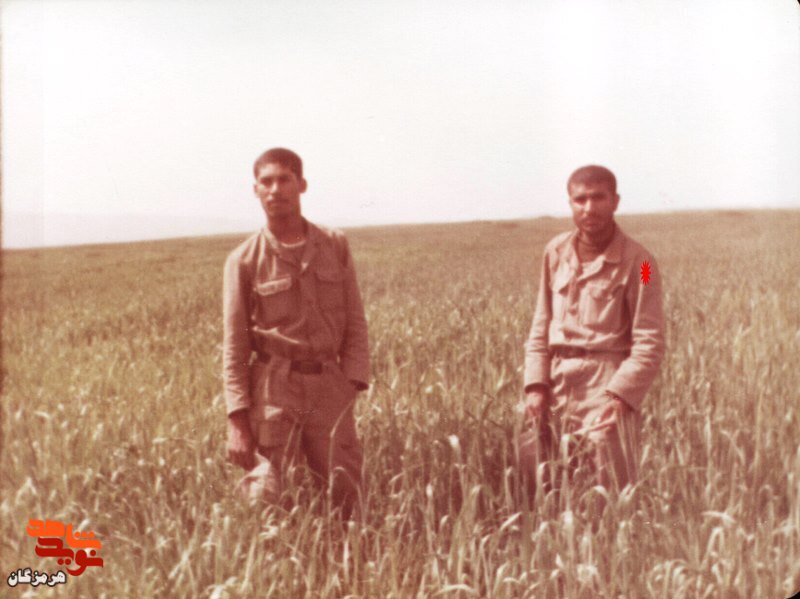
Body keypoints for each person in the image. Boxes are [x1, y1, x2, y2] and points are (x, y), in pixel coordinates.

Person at [222, 148, 369, 518]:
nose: (275, 189)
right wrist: (237, 421)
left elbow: (355, 319)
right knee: (268, 499)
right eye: (266, 182)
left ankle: (348, 552)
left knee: (346, 493)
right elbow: (235, 348)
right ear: (255, 190)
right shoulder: (244, 260)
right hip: (274, 388)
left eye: (284, 179)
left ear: (301, 184)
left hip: (328, 386)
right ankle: (274, 556)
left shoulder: (334, 245)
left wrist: (351, 382)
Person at [518, 165, 665, 498]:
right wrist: (535, 385)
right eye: (580, 199)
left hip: (605, 382)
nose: (589, 208)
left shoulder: (642, 263)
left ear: (615, 201)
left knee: (606, 489)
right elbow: (541, 323)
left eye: (598, 198)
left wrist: (621, 396)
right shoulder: (554, 253)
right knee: (538, 477)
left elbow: (650, 339)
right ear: (570, 203)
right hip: (556, 380)